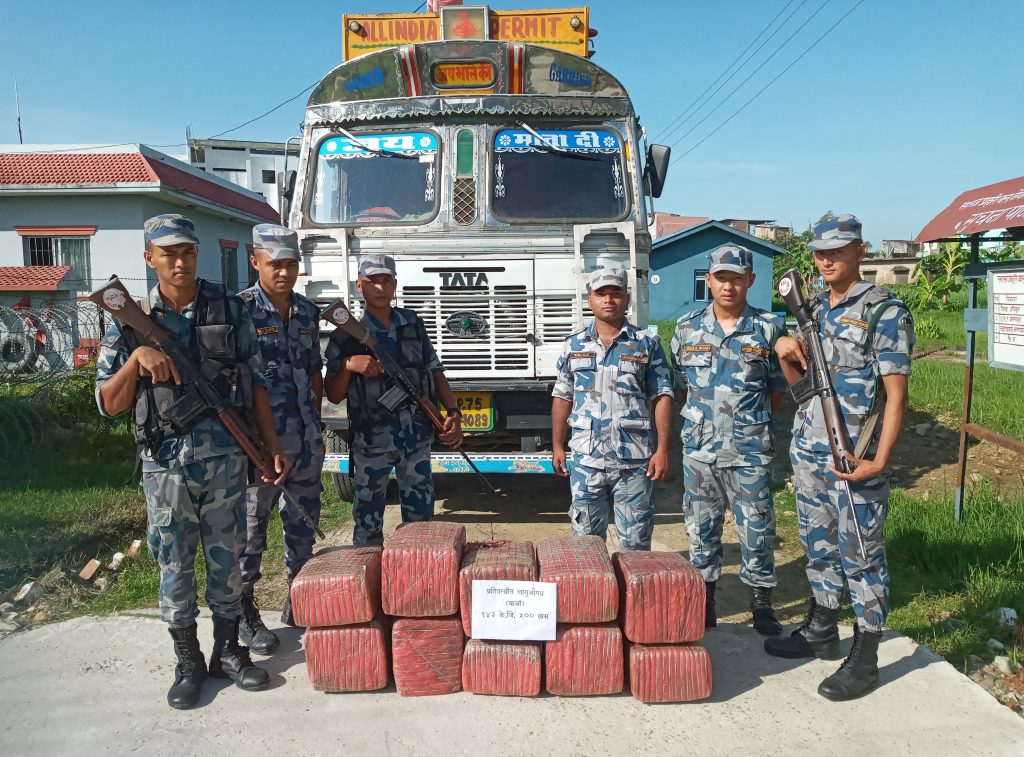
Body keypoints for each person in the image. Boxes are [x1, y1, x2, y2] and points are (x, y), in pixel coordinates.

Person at [95, 214, 291, 709]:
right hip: (165, 468)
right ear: (149, 258)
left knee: (226, 562)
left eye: (187, 251)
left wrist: (270, 447)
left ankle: (228, 652)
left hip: (226, 462)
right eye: (167, 253)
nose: (179, 261)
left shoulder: (230, 308)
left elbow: (257, 386)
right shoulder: (130, 318)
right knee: (175, 564)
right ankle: (188, 660)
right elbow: (107, 403)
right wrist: (137, 358)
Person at [765, 214, 914, 702]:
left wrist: (880, 459)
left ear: (861, 251)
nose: (826, 259)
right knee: (818, 542)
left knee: (862, 554)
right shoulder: (812, 311)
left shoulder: (883, 311)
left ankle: (866, 656)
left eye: (838, 249)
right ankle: (822, 627)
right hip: (810, 450)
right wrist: (785, 348)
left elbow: (896, 396)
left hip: (856, 456)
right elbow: (803, 389)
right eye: (818, 252)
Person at [669, 245, 787, 634]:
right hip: (700, 452)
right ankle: (705, 602)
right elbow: (681, 385)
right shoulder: (686, 328)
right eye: (721, 278)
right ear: (709, 279)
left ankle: (761, 604)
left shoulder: (769, 327)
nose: (728, 286)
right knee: (701, 528)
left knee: (757, 528)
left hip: (749, 450)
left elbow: (776, 389)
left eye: (737, 278)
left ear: (750, 280)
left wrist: (749, 422)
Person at [324, 254, 463, 546]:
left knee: (421, 521)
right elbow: (334, 394)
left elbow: (435, 370)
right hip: (372, 441)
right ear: (359, 285)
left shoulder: (413, 324)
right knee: (368, 518)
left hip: (415, 437)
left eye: (386, 280)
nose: (380, 287)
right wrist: (350, 364)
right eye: (372, 281)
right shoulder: (345, 336)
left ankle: (416, 574)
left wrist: (452, 412)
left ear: (395, 284)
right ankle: (369, 577)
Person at [236, 224, 324, 651]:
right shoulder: (239, 312)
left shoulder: (307, 313)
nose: (284, 272)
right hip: (260, 447)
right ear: (256, 262)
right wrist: (254, 445)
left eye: (291, 264)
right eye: (275, 264)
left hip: (305, 439)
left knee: (303, 526)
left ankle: (298, 599)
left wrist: (316, 425)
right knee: (251, 528)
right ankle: (243, 613)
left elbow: (313, 372)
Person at [551, 268, 674, 550]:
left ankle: (632, 595)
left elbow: (662, 395)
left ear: (627, 298)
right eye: (601, 294)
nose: (609, 299)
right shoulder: (573, 345)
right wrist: (557, 445)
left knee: (635, 546)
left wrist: (663, 449)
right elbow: (562, 396)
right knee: (586, 545)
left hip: (633, 460)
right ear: (589, 300)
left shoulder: (647, 344)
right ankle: (594, 596)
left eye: (616, 293)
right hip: (586, 458)